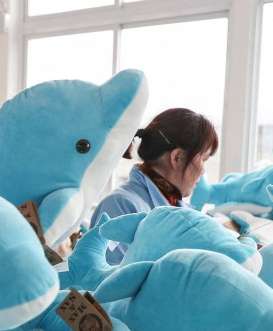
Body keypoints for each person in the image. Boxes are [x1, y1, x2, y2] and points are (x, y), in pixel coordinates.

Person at [89, 107, 219, 264]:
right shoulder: (119, 205)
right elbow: (110, 275)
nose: (203, 170)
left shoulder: (178, 208)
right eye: (203, 160)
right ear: (177, 158)